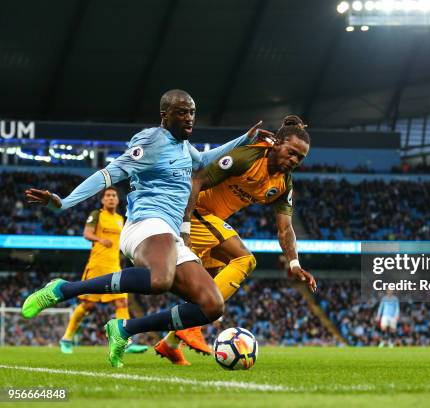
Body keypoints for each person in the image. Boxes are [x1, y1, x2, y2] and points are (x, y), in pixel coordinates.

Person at [22, 89, 265, 368]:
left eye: (192, 112)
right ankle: (63, 289)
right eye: (182, 112)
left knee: (211, 305)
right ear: (165, 115)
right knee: (160, 279)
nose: (189, 118)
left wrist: (244, 140)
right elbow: (109, 173)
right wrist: (63, 203)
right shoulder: (153, 141)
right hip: (146, 222)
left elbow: (205, 160)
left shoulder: (184, 147)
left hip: (169, 234)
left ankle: (124, 329)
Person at [153, 115, 317, 365]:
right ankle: (191, 325)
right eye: (291, 152)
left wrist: (294, 264)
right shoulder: (248, 157)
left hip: (209, 220)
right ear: (277, 143)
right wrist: (185, 227)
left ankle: (170, 343)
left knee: (207, 284)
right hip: (192, 211)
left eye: (300, 158)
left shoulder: (283, 183)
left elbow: (285, 228)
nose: (294, 160)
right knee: (244, 260)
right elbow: (196, 180)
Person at [59, 186, 146, 354]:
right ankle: (67, 338)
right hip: (97, 265)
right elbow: (86, 233)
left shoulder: (121, 219)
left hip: (114, 266)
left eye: (114, 195)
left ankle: (124, 342)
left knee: (122, 302)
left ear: (118, 199)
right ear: (102, 200)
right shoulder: (96, 214)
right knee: (88, 305)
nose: (111, 198)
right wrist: (101, 239)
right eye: (108, 196)